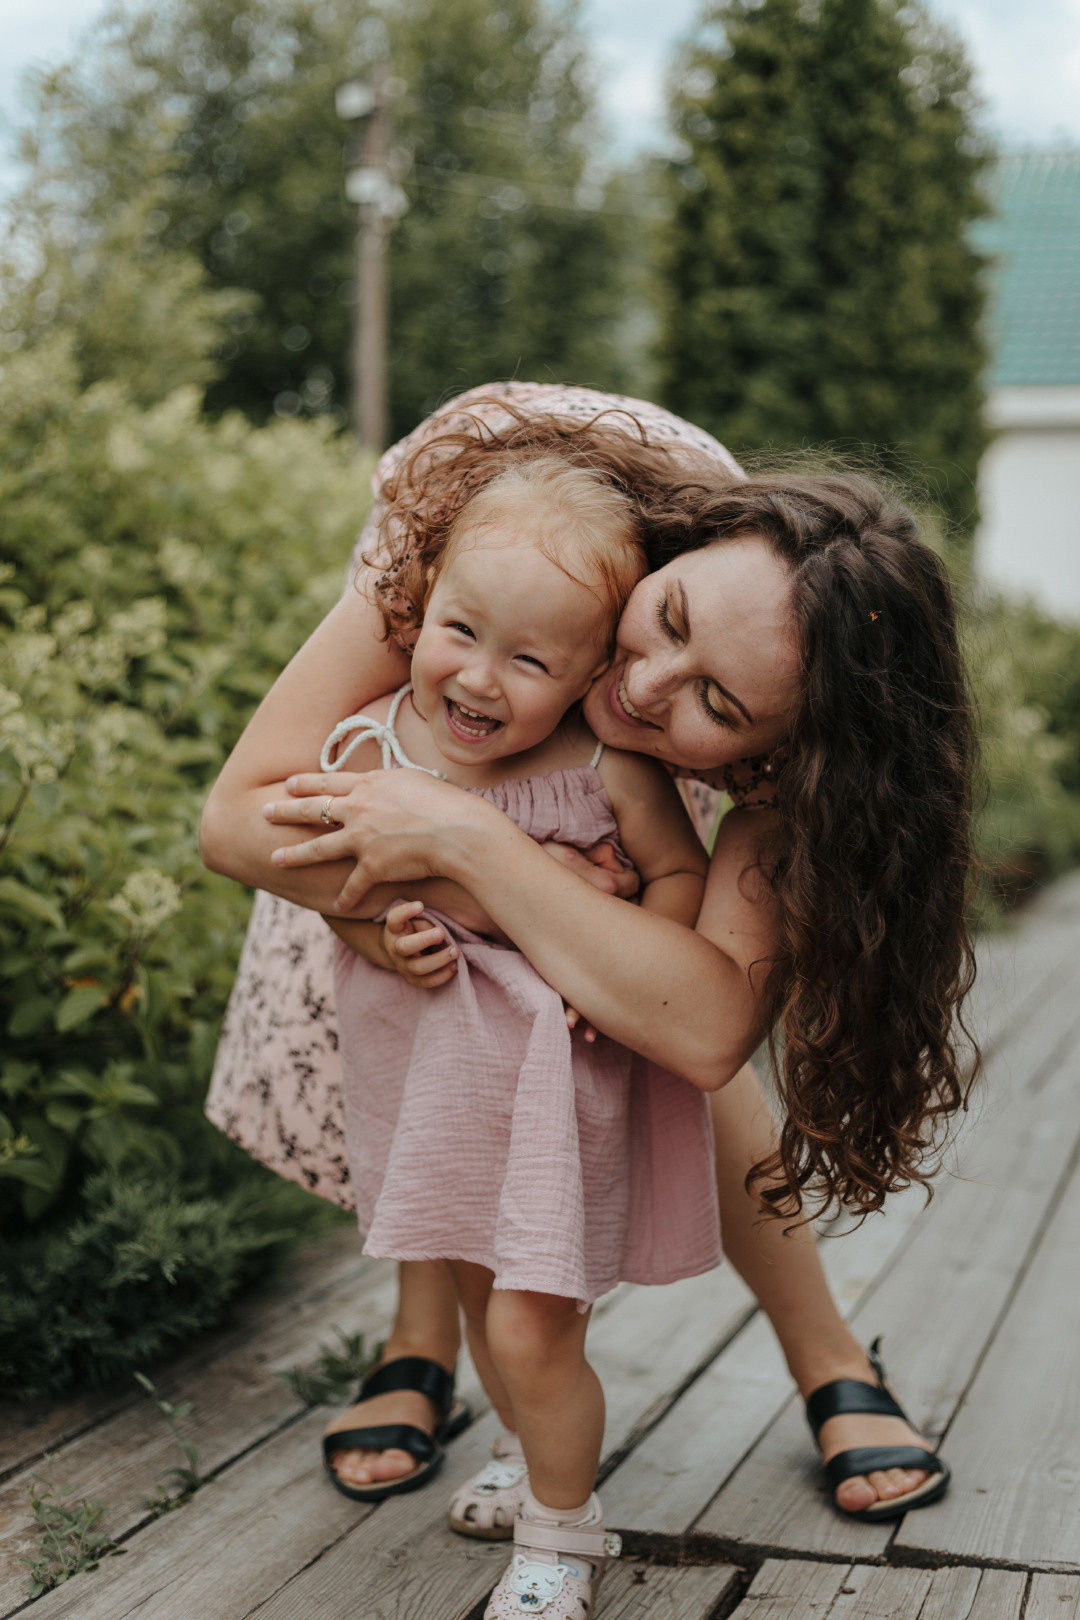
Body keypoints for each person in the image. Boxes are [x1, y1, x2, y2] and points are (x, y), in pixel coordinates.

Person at [202, 382, 975, 1532]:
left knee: (632, 1019)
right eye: (664, 620)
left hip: (489, 833)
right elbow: (240, 822)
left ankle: (826, 1352)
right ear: (690, 548)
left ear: (782, 758)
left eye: (717, 699)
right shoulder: (486, 538)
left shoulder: (799, 748)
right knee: (426, 993)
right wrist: (491, 860)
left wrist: (471, 845)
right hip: (422, 745)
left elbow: (705, 1027)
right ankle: (421, 1332)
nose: (644, 687)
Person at [315, 453, 725, 1616]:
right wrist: (383, 932)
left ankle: (564, 1532)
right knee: (475, 1281)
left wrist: (620, 956)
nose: (480, 677)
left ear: (595, 673)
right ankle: (519, 1450)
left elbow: (680, 877)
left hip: (553, 1086)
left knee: (534, 1320)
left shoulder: (604, 769)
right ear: (425, 601)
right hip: (430, 1081)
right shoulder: (374, 744)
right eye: (462, 630)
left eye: (532, 658)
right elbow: (330, 889)